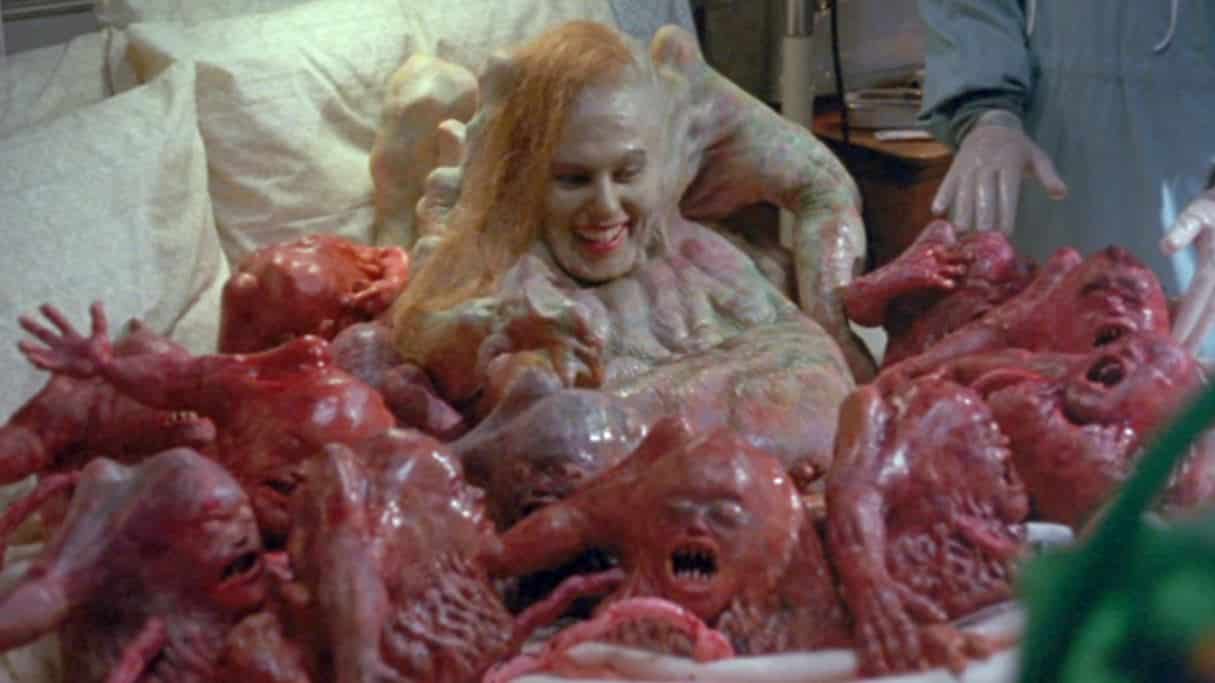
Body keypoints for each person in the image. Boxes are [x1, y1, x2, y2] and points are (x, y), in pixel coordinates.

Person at [388, 20, 869, 487]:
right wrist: (500, 326)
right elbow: (422, 336)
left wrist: (836, 323)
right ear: (531, 179)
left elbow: (824, 188)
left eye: (626, 174)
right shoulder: (513, 286)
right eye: (573, 179)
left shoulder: (702, 249)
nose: (605, 205)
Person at [918, 0, 1215, 356]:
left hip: (1193, 225)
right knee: (1022, 358)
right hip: (1036, 199)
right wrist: (986, 113)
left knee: (1183, 358)